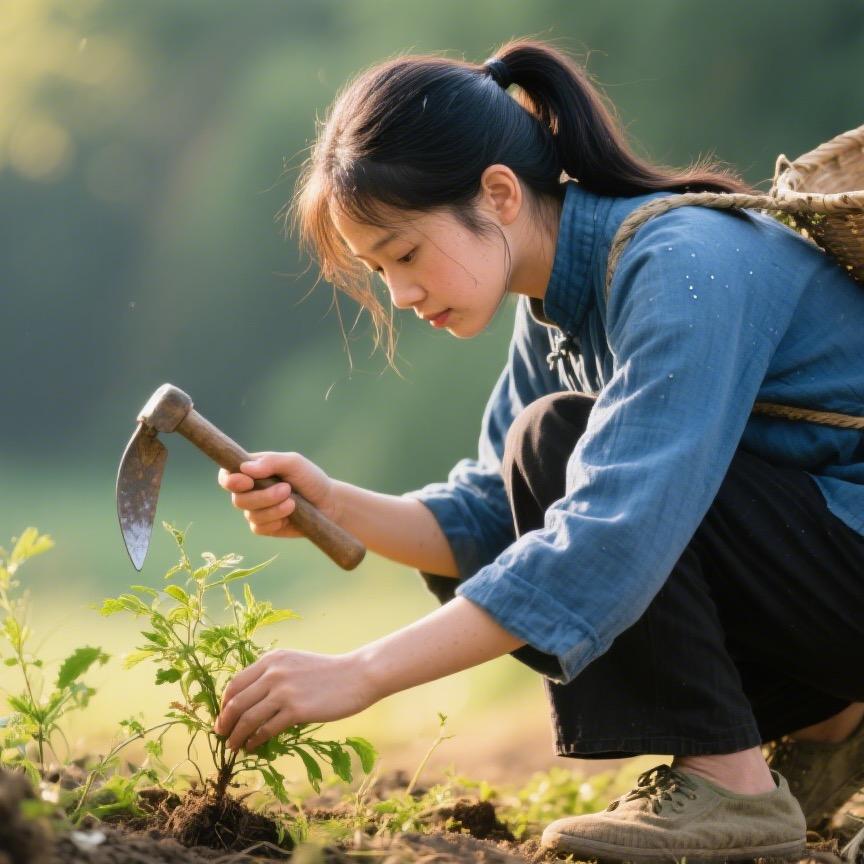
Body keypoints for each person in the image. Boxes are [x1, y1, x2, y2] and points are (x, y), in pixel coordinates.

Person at [212, 39, 864, 861]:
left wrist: (362, 672)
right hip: (830, 575)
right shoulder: (554, 299)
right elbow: (493, 515)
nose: (402, 295)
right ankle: (827, 722)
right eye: (379, 271)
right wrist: (333, 505)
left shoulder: (680, 265)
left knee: (559, 442)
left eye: (405, 254)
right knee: (547, 451)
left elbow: (609, 536)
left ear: (498, 193)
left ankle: (731, 786)